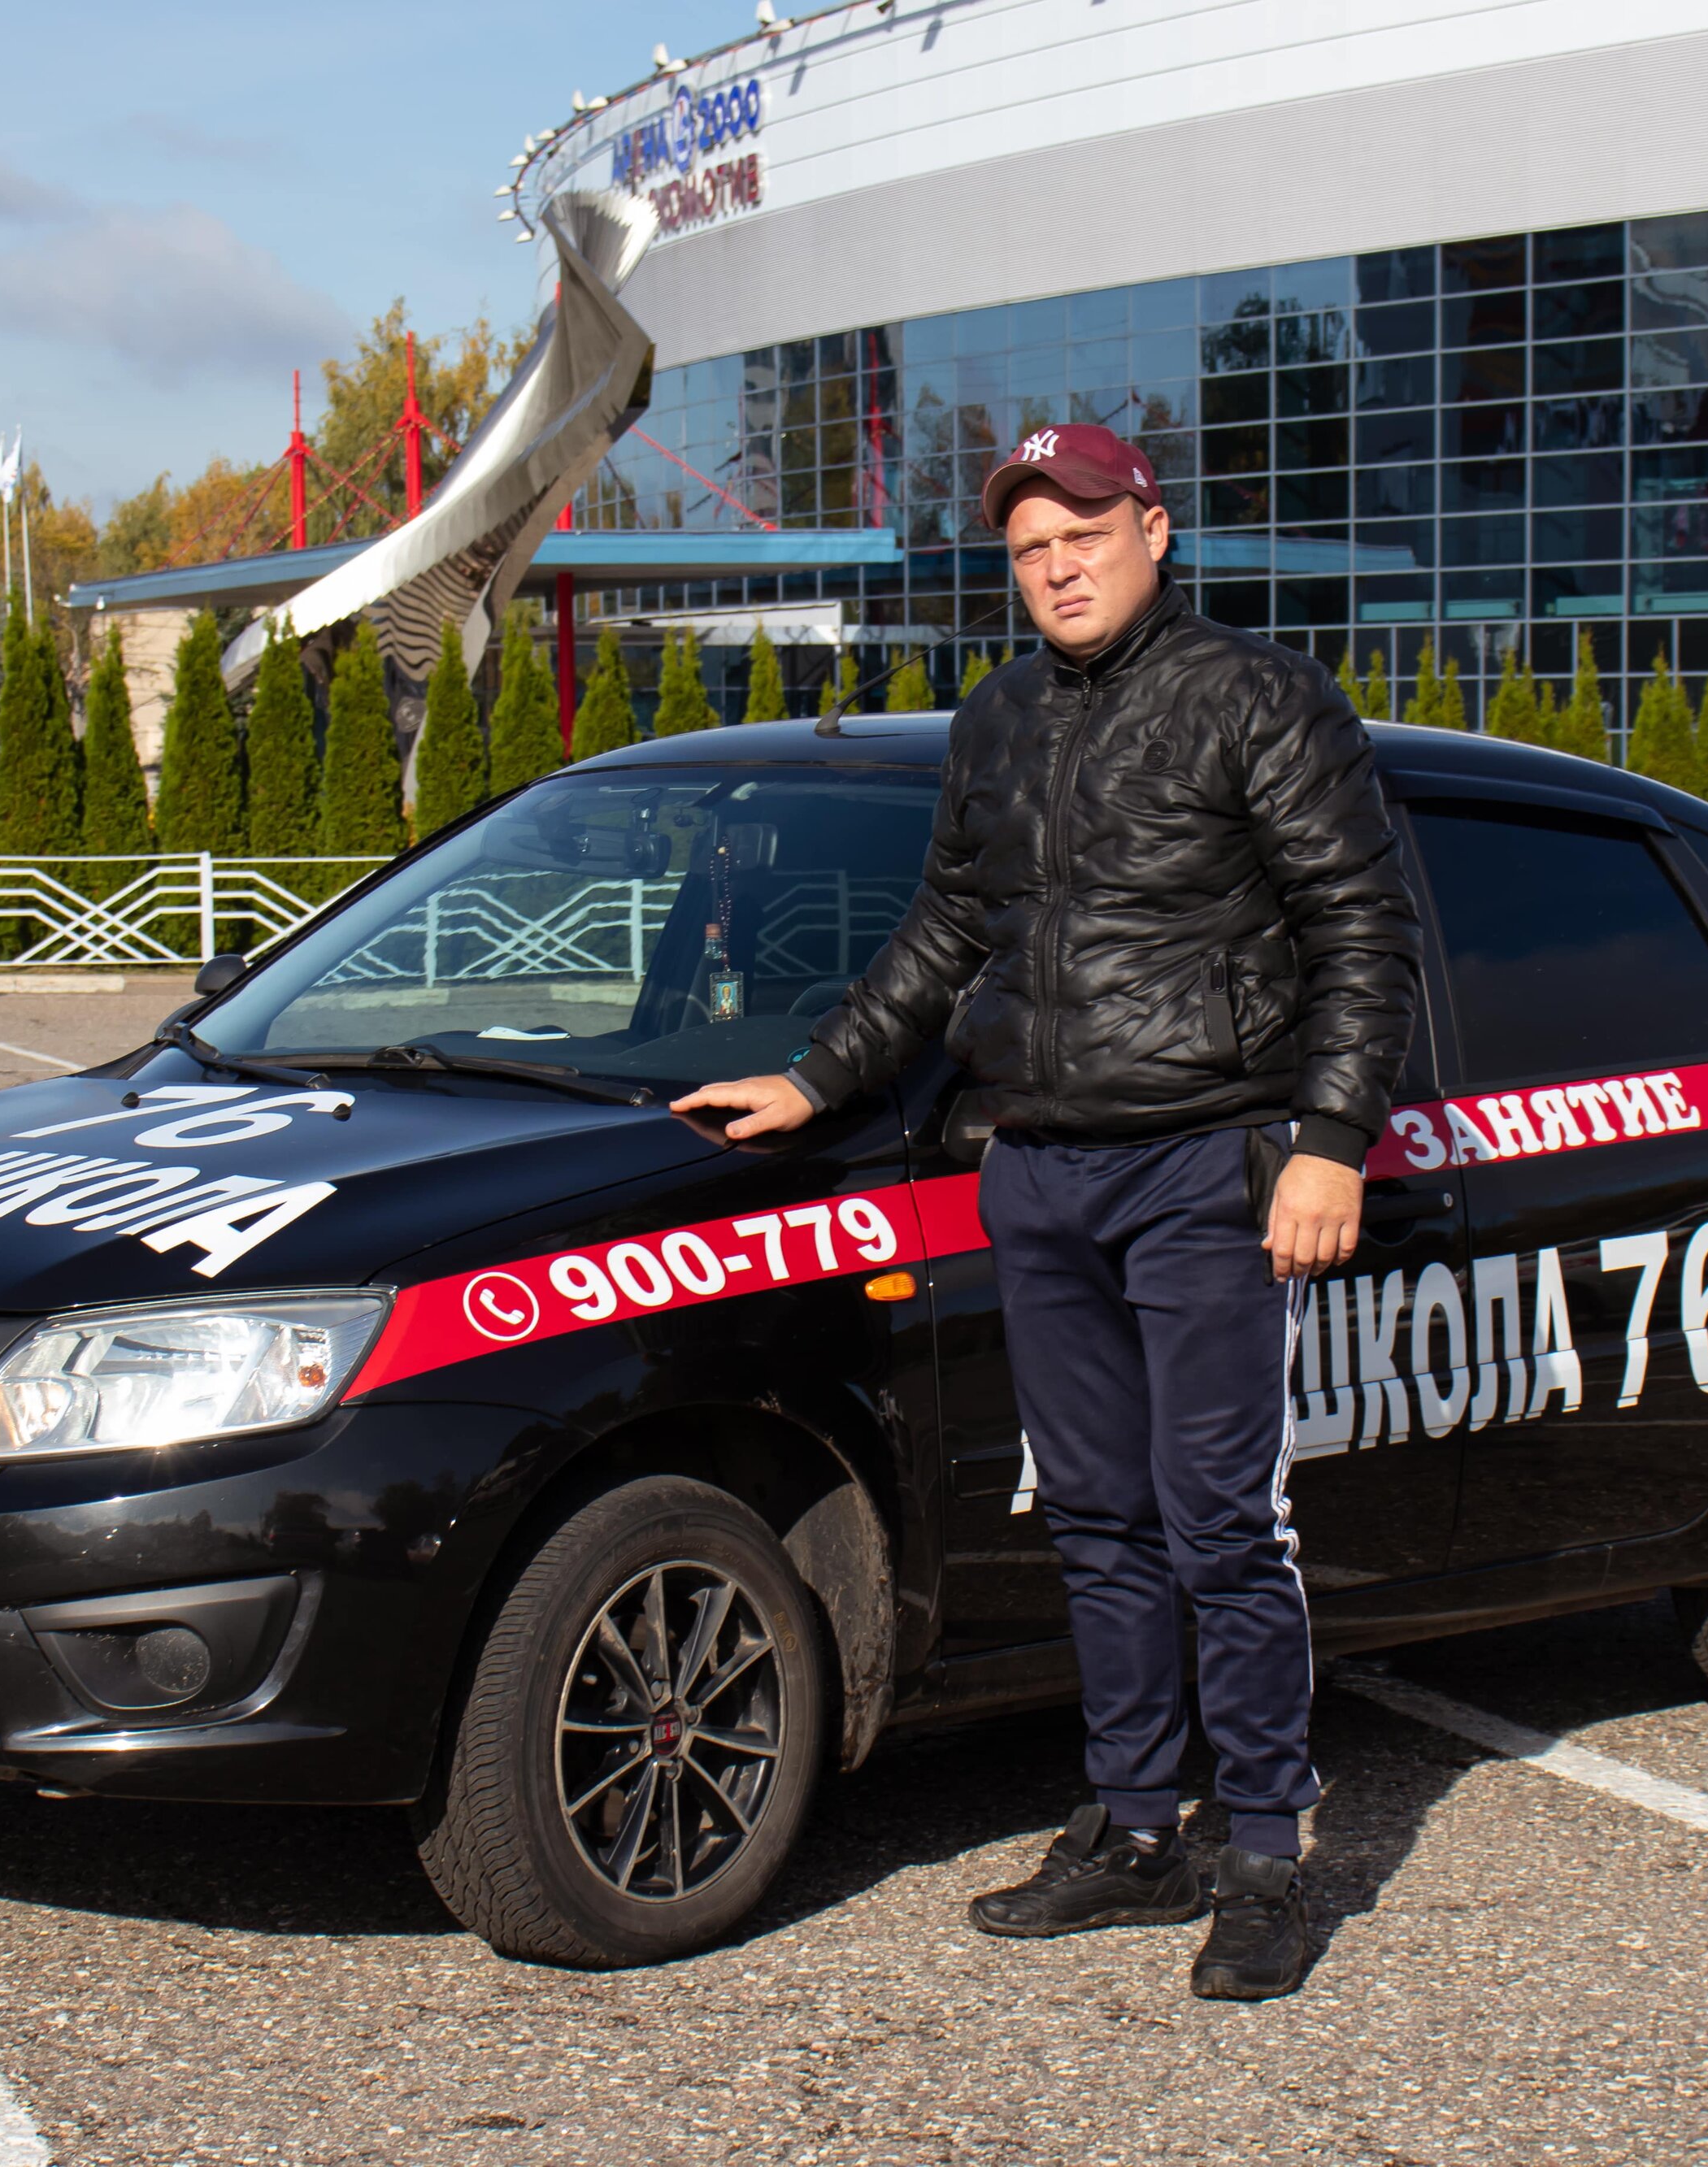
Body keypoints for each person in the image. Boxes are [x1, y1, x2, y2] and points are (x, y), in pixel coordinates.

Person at [672, 423, 1419, 2003]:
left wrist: (1330, 1138)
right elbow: (947, 931)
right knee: (1090, 1518)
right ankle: (1137, 1827)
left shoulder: (1253, 699)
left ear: (1150, 529)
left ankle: (1267, 1855)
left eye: (1081, 529)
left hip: (1201, 1165)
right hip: (1036, 1168)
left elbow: (1360, 926)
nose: (1055, 563)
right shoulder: (998, 722)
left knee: (1221, 1519)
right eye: (1026, 545)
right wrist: (816, 1080)